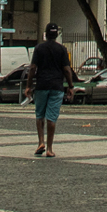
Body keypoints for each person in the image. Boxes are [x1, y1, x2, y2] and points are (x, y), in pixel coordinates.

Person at [29, 22, 74, 158]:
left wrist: (28, 86)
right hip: (56, 86)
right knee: (51, 118)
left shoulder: (39, 48)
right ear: (56, 35)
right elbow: (66, 69)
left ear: (45, 34)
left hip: (41, 85)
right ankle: (49, 148)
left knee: (39, 115)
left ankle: (40, 142)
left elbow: (32, 68)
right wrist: (70, 86)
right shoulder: (62, 50)